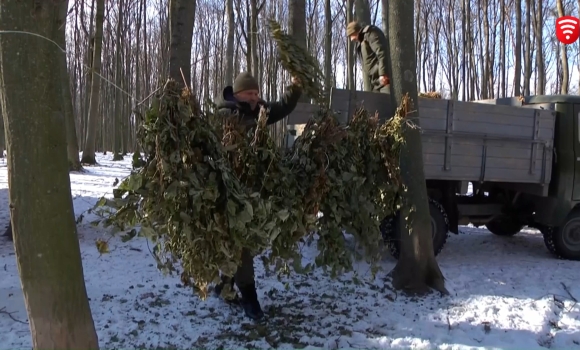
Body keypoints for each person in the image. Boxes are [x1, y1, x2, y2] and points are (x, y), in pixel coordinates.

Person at [213, 72, 302, 321]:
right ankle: (250, 301)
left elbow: (282, 106)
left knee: (238, 242)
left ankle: (224, 286)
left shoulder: (259, 110)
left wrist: (294, 88)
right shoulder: (224, 114)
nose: (255, 98)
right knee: (243, 245)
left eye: (257, 93)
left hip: (253, 188)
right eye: (250, 94)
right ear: (238, 94)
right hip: (229, 190)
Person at [346, 21, 390, 93]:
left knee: (387, 103)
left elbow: (382, 52)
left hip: (384, 80)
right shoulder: (361, 42)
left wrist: (383, 74)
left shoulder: (371, 33)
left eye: (351, 35)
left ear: (356, 31)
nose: (352, 39)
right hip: (376, 82)